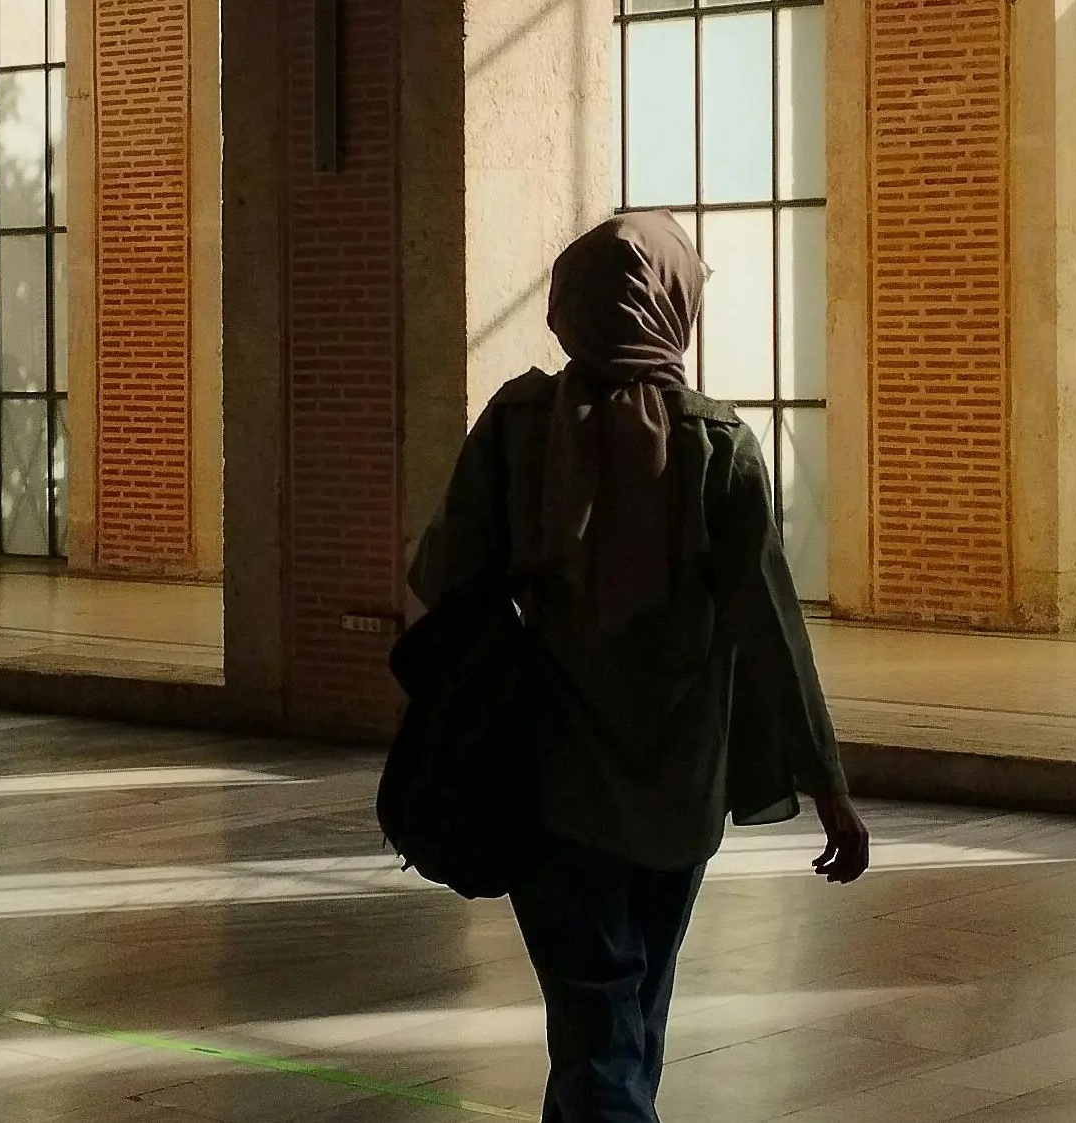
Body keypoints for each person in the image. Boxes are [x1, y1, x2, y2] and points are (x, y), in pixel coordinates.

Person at [408, 211, 869, 1123]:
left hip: (546, 780)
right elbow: (771, 628)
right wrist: (828, 786)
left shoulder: (516, 424)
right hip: (677, 786)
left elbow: (441, 575)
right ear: (675, 305)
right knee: (631, 1013)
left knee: (597, 1018)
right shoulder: (716, 446)